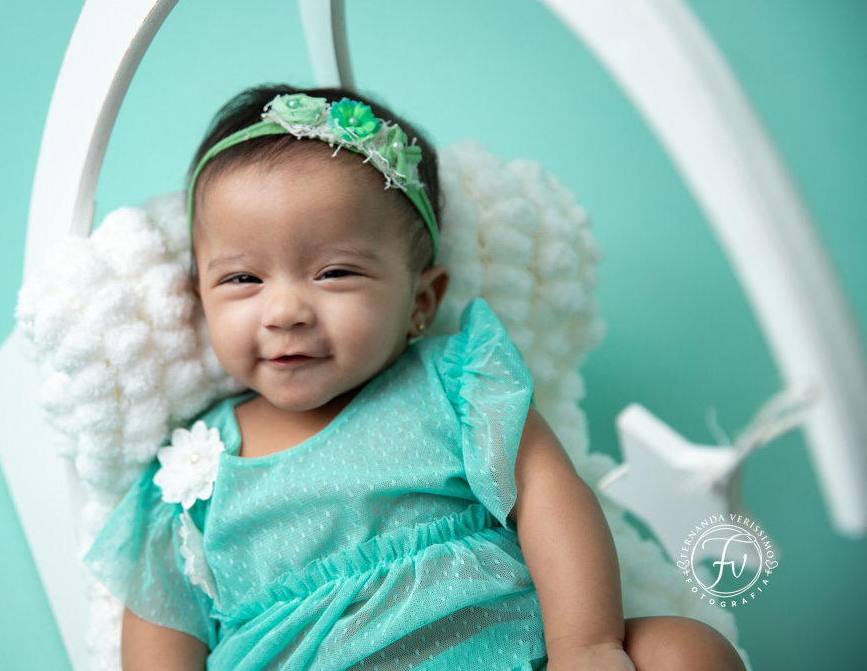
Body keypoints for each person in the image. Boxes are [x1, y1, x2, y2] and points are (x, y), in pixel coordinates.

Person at [84, 84, 747, 671]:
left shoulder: (456, 384)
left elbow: (550, 496)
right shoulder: (188, 476)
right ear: (198, 299)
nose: (284, 311)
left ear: (421, 301)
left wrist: (586, 647)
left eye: (334, 272)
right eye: (242, 278)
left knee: (685, 650)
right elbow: (160, 637)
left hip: (513, 652)